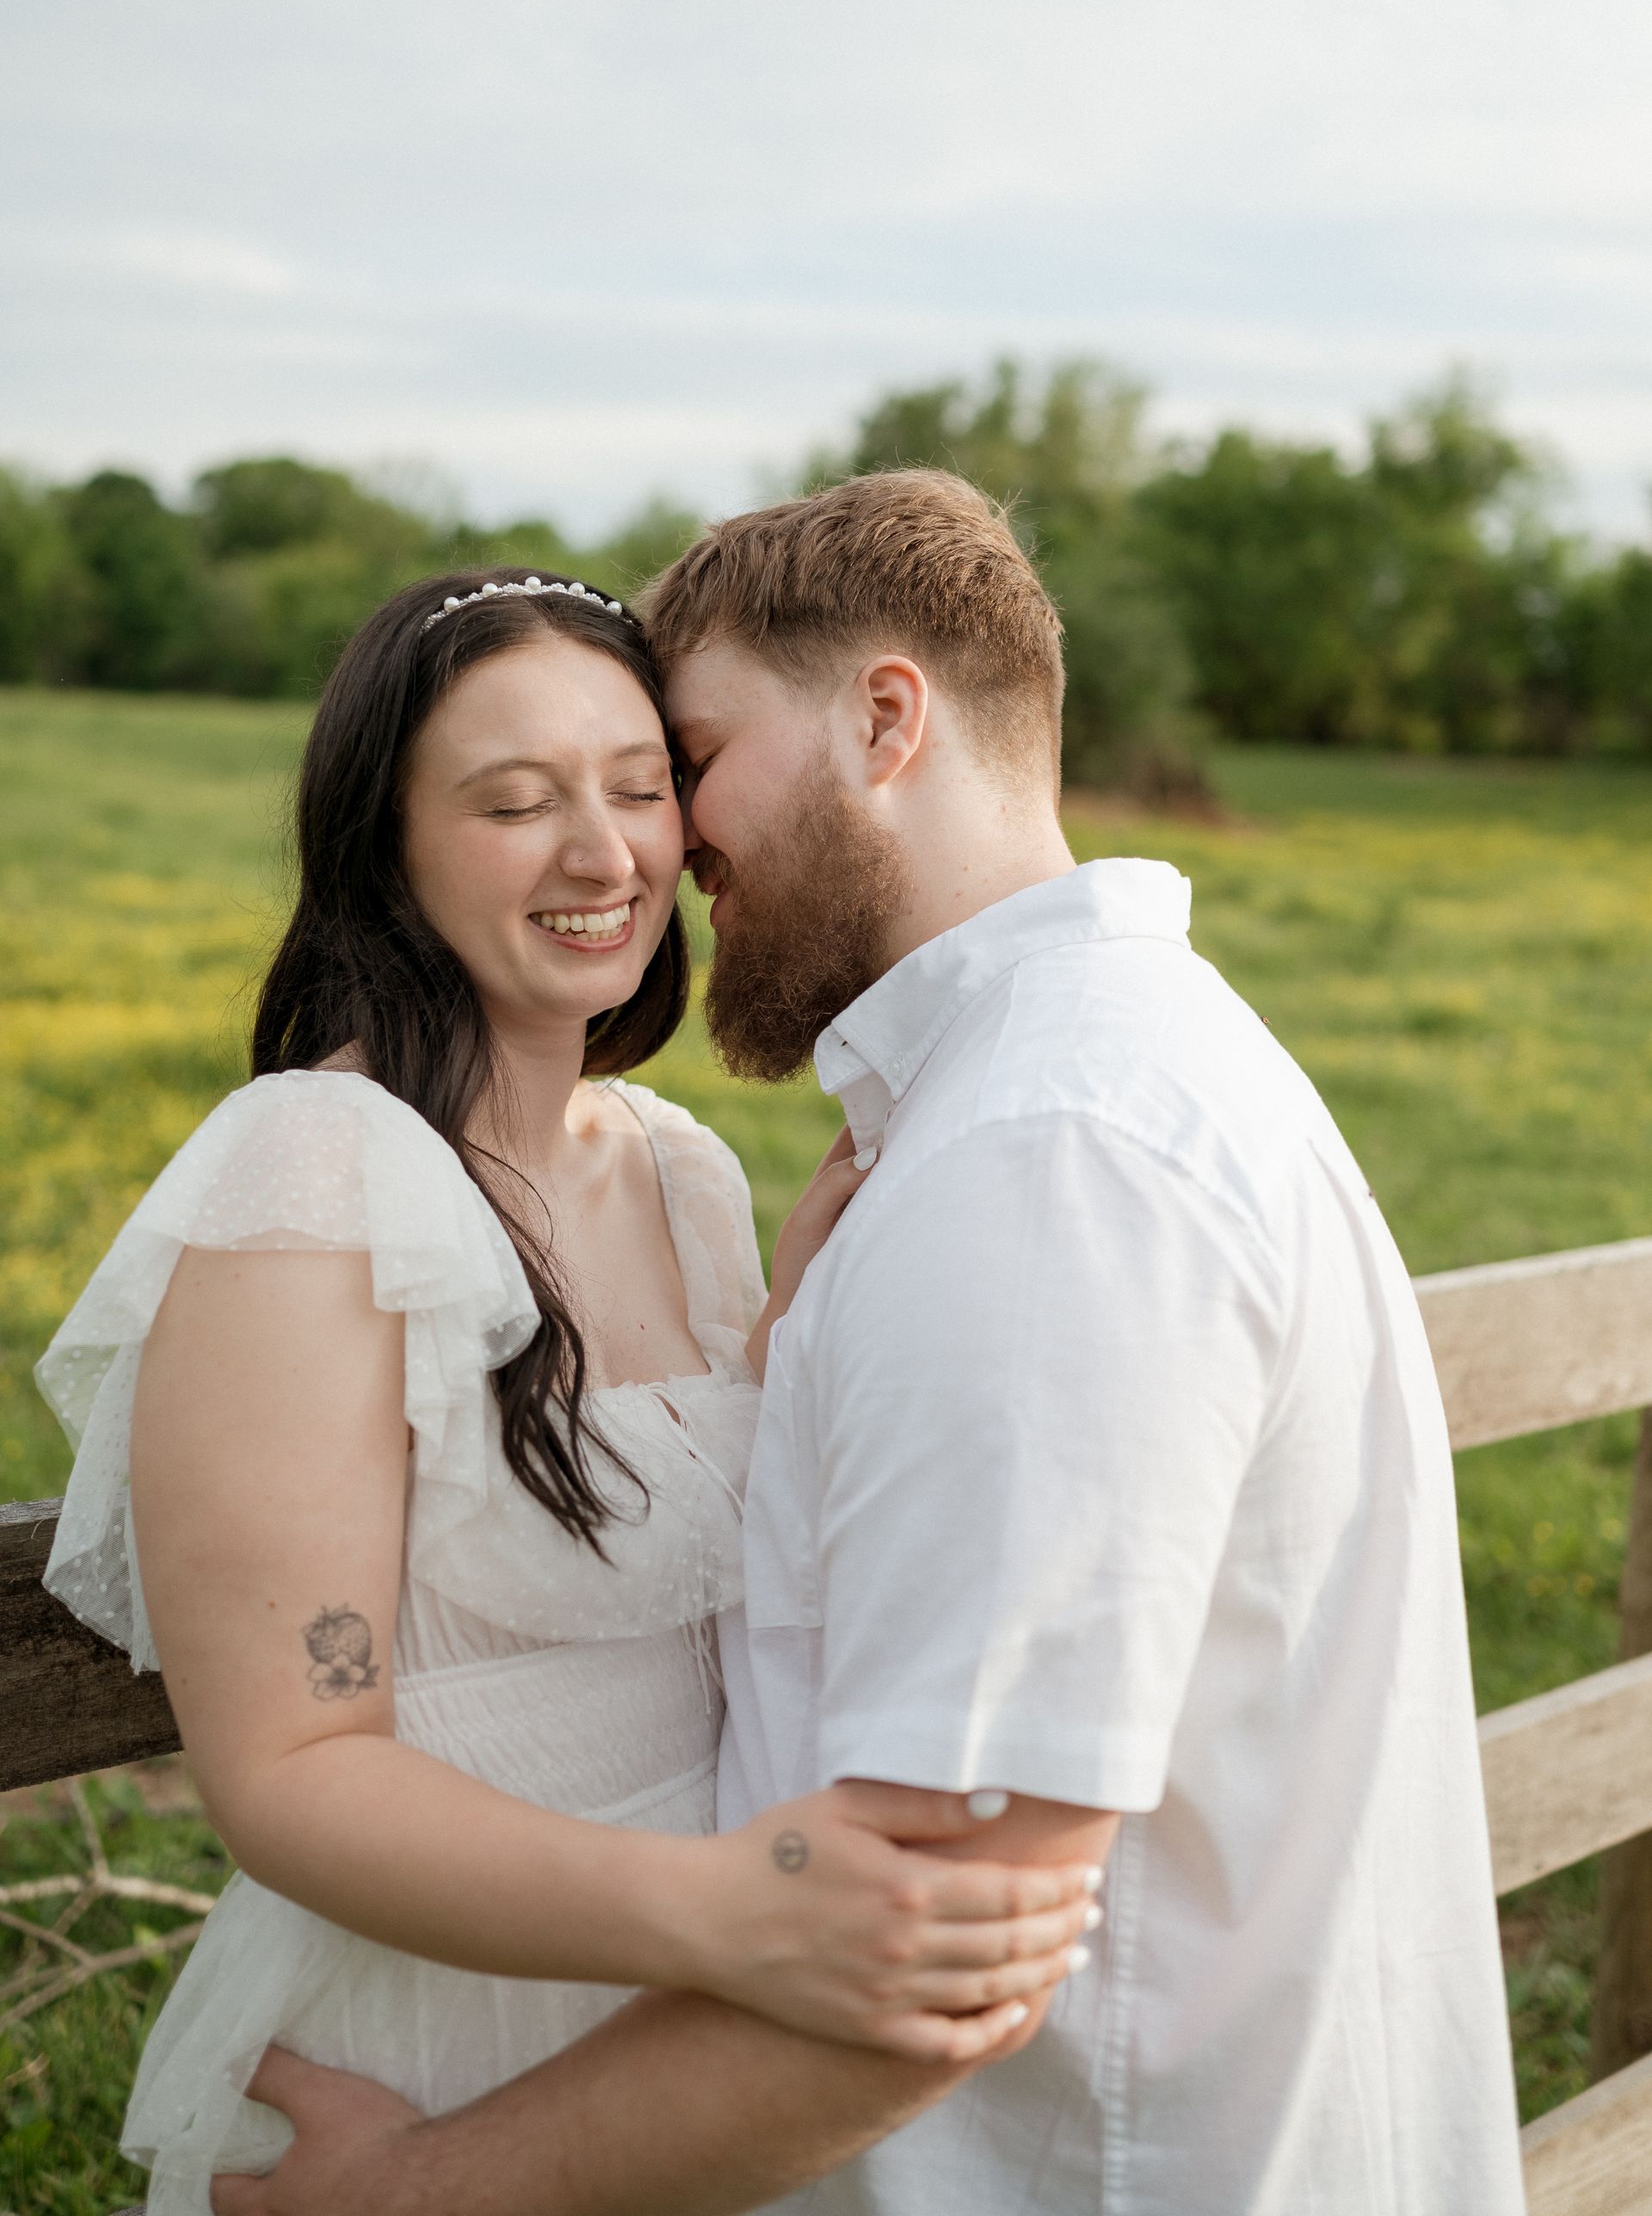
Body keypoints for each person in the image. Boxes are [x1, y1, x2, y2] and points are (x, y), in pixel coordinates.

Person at [227, 468, 1526, 2216]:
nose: (667, 843)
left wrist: (407, 2192)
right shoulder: (1070, 1094)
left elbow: (933, 1943)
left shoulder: (1046, 1159)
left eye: (681, 763)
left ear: (886, 719)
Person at [34, 565, 1100, 2216]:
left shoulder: (678, 1173)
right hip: (443, 2031)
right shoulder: (317, 1182)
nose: (603, 856)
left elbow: (660, 1548)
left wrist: (788, 1364)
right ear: (386, 845)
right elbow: (294, 1770)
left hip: (691, 2045)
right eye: (515, 802)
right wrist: (733, 1910)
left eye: (639, 785)